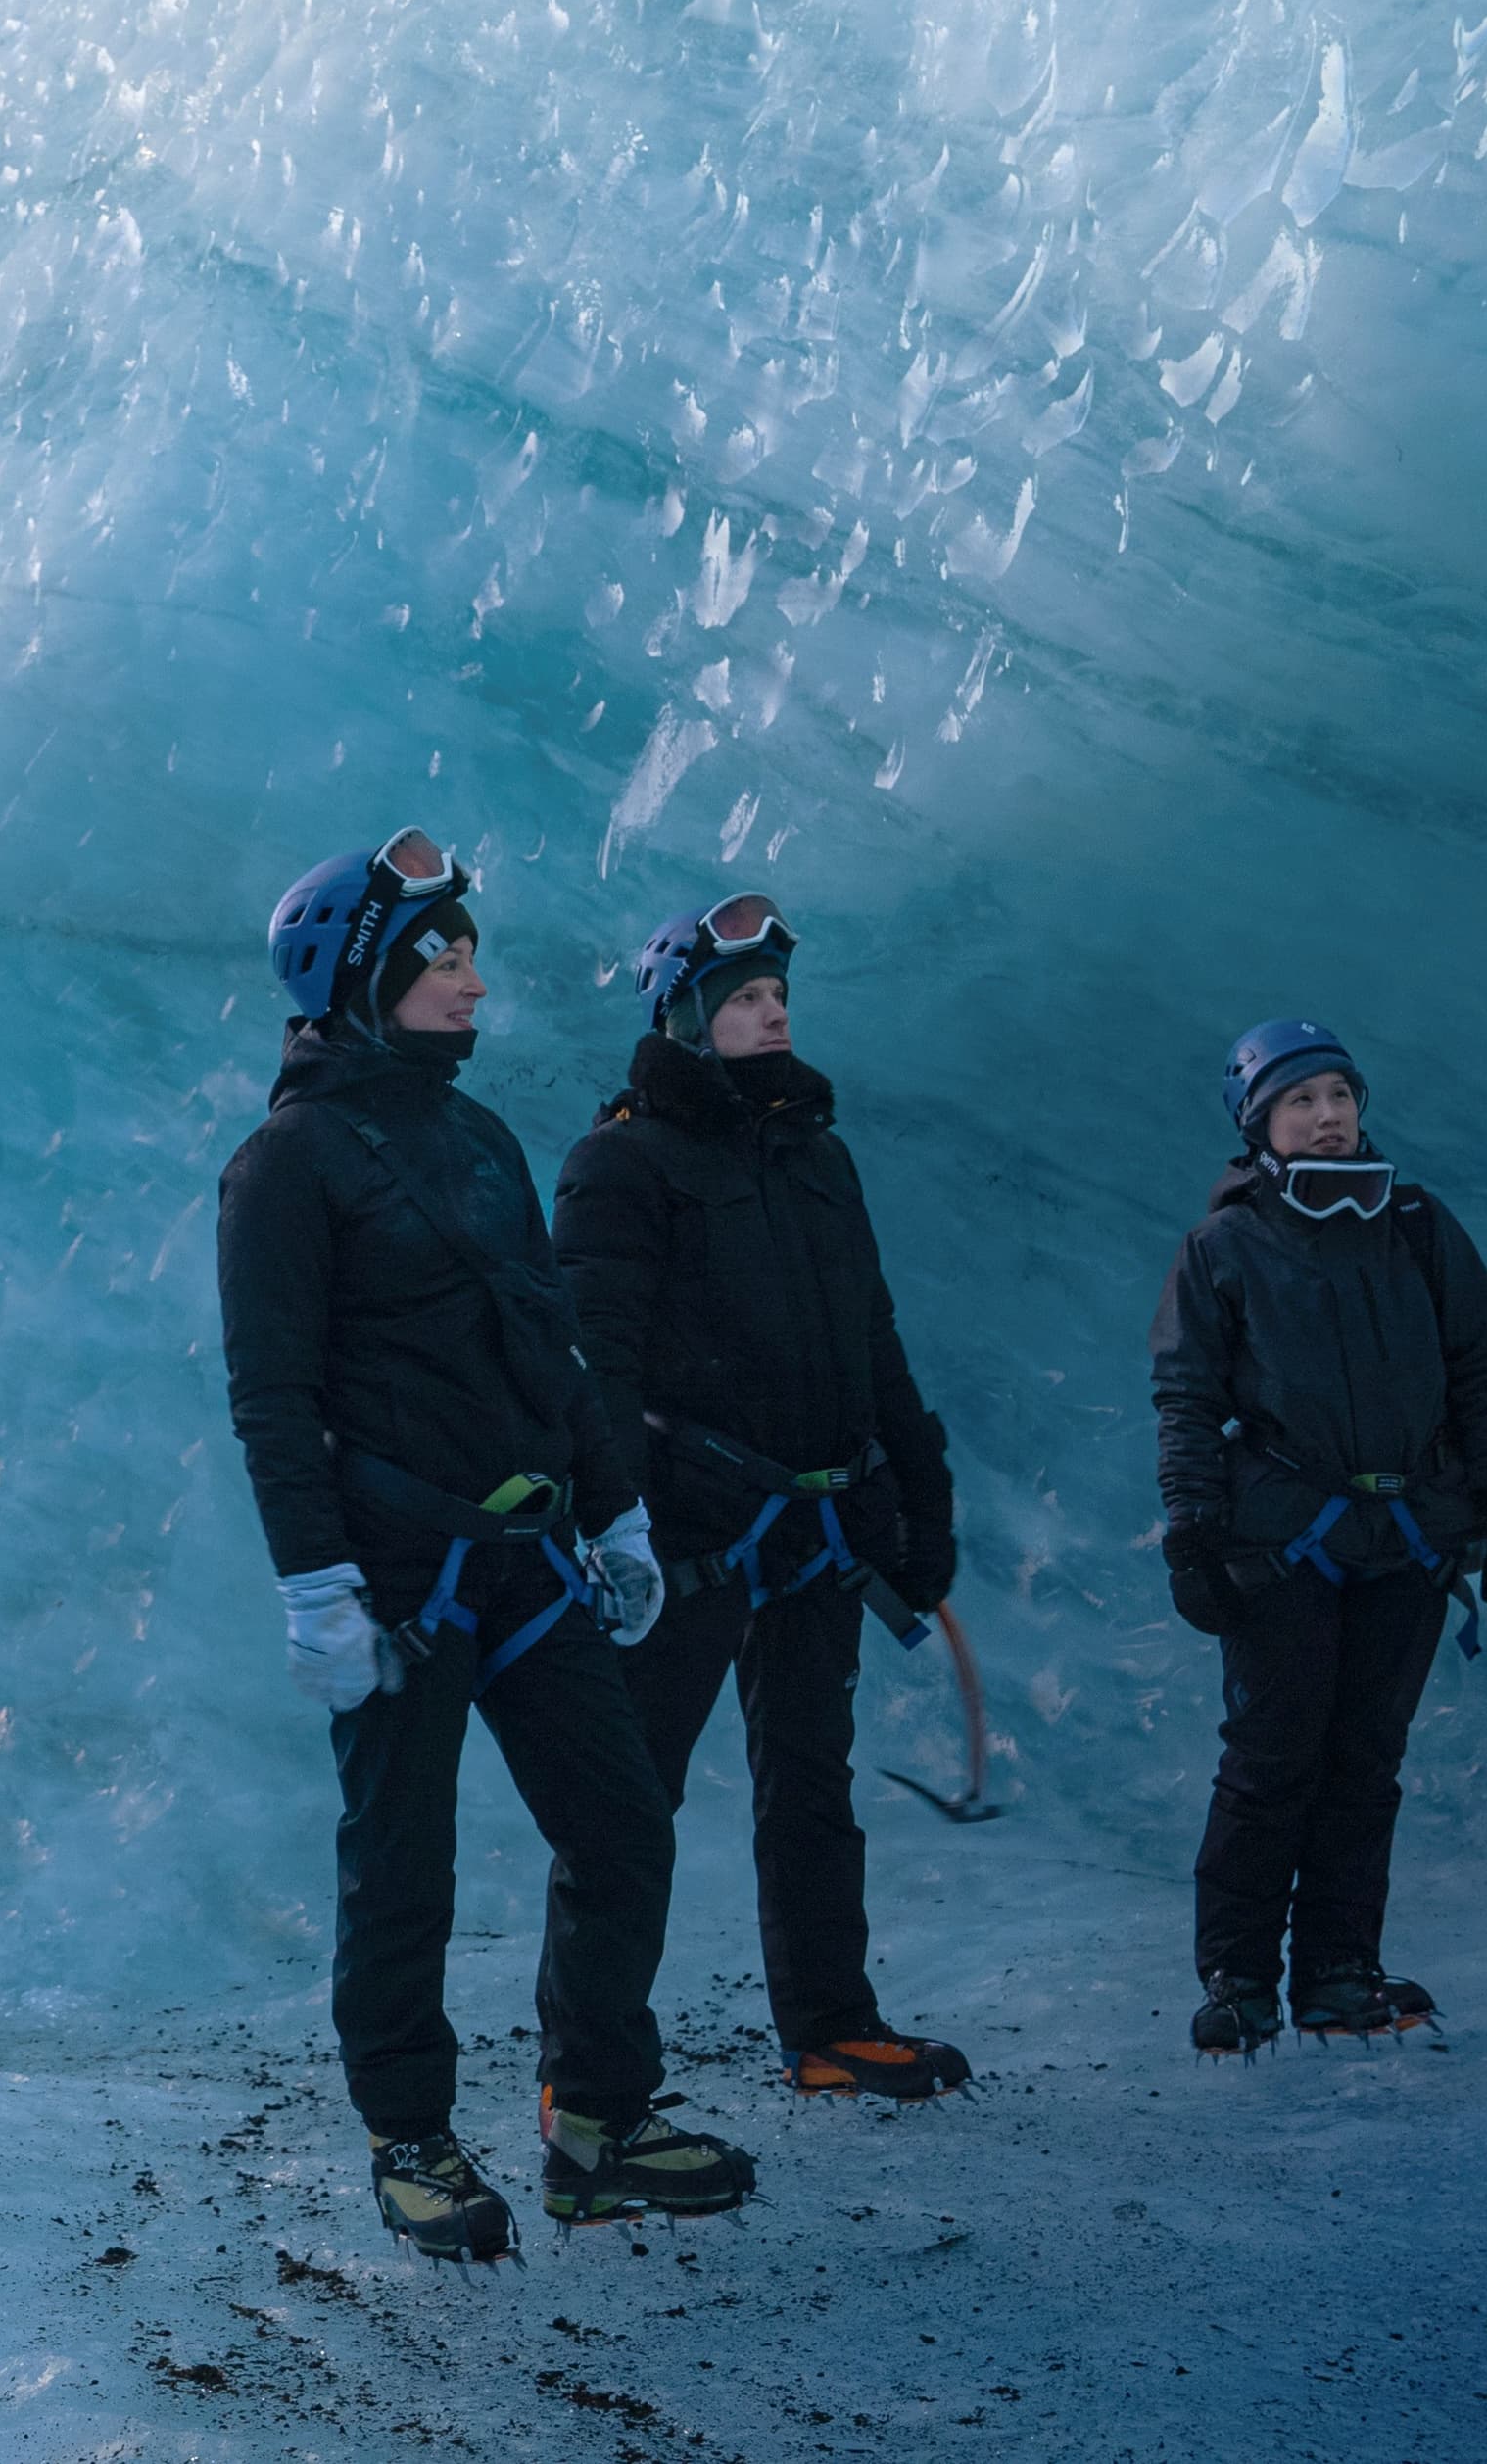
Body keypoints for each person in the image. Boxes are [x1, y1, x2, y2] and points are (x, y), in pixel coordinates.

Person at [217, 827, 757, 2260]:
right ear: (360, 977)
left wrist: (615, 1507)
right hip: (399, 1577)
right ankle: (410, 2138)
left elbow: (552, 1346)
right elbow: (272, 1397)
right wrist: (315, 1583)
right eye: (439, 957)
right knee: (403, 1865)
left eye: (468, 952)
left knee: (622, 1823)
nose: (470, 978)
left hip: (529, 1558)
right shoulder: (284, 1166)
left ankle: (597, 2122)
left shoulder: (478, 1137)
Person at [551, 894, 973, 2102]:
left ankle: (832, 2029)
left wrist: (921, 1497)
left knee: (812, 1785)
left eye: (779, 997)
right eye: (744, 999)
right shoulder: (619, 1164)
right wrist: (614, 1525)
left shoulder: (817, 1157)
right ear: (684, 1017)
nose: (773, 1016)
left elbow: (873, 1342)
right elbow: (596, 1365)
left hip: (816, 1535)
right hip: (688, 1539)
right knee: (631, 1805)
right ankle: (589, 2074)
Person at [1151, 1020, 1487, 2053]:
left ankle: (1337, 1971)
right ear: (1259, 1125)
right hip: (1284, 1543)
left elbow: (1483, 1369)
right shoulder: (1222, 1248)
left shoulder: (1418, 1224)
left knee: (1366, 1762)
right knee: (1271, 1759)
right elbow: (1187, 1402)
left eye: (1340, 1094)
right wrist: (1192, 1536)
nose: (1328, 1115)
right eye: (1301, 1101)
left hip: (1410, 1539)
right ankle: (1238, 1980)